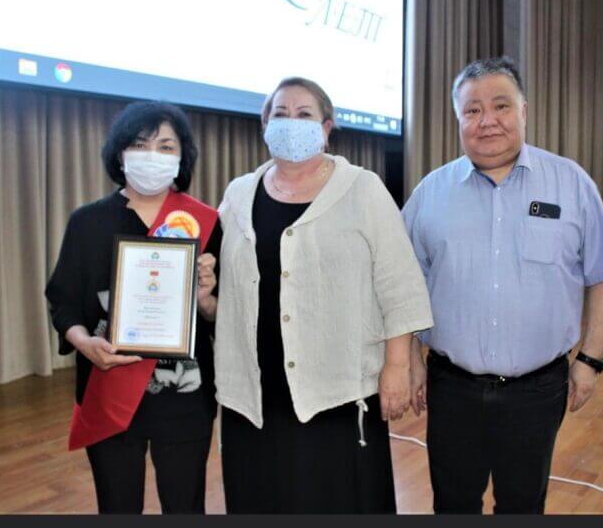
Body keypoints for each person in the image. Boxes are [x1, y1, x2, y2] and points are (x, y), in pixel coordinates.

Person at [401, 56, 603, 514]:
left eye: (500, 106)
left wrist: (589, 360)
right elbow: (403, 283)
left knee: (523, 505)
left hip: (537, 391)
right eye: (473, 110)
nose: (487, 120)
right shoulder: (430, 193)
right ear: (458, 119)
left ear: (523, 111)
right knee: (453, 503)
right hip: (452, 387)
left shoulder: (571, 184)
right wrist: (409, 360)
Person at [213, 77, 433, 513]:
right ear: (265, 124)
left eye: (304, 114)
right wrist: (204, 296)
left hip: (337, 390)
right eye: (280, 114)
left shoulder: (362, 189)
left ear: (326, 128)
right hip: (254, 393)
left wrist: (397, 366)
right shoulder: (237, 195)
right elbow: (228, 291)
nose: (290, 122)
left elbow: (400, 285)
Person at [45, 101, 221, 513]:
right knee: (117, 507)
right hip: (108, 390)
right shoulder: (88, 222)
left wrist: (205, 299)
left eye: (165, 146)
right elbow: (63, 302)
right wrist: (84, 343)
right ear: (120, 154)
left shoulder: (205, 221)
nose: (152, 156)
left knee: (185, 507)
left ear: (182, 157)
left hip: (185, 396)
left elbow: (218, 315)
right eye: (140, 145)